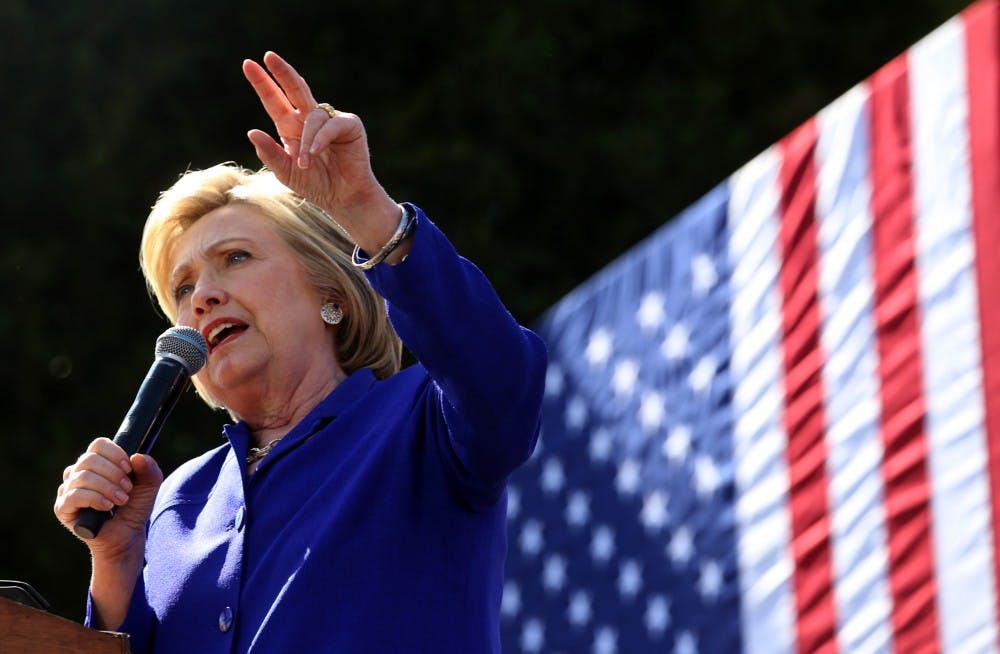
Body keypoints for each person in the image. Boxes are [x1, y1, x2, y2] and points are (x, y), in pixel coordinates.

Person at [53, 51, 546, 653]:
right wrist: (116, 562)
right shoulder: (173, 503)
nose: (203, 296)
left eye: (236, 258)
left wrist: (367, 210)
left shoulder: (425, 421)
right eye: (182, 288)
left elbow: (505, 380)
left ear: (331, 293)